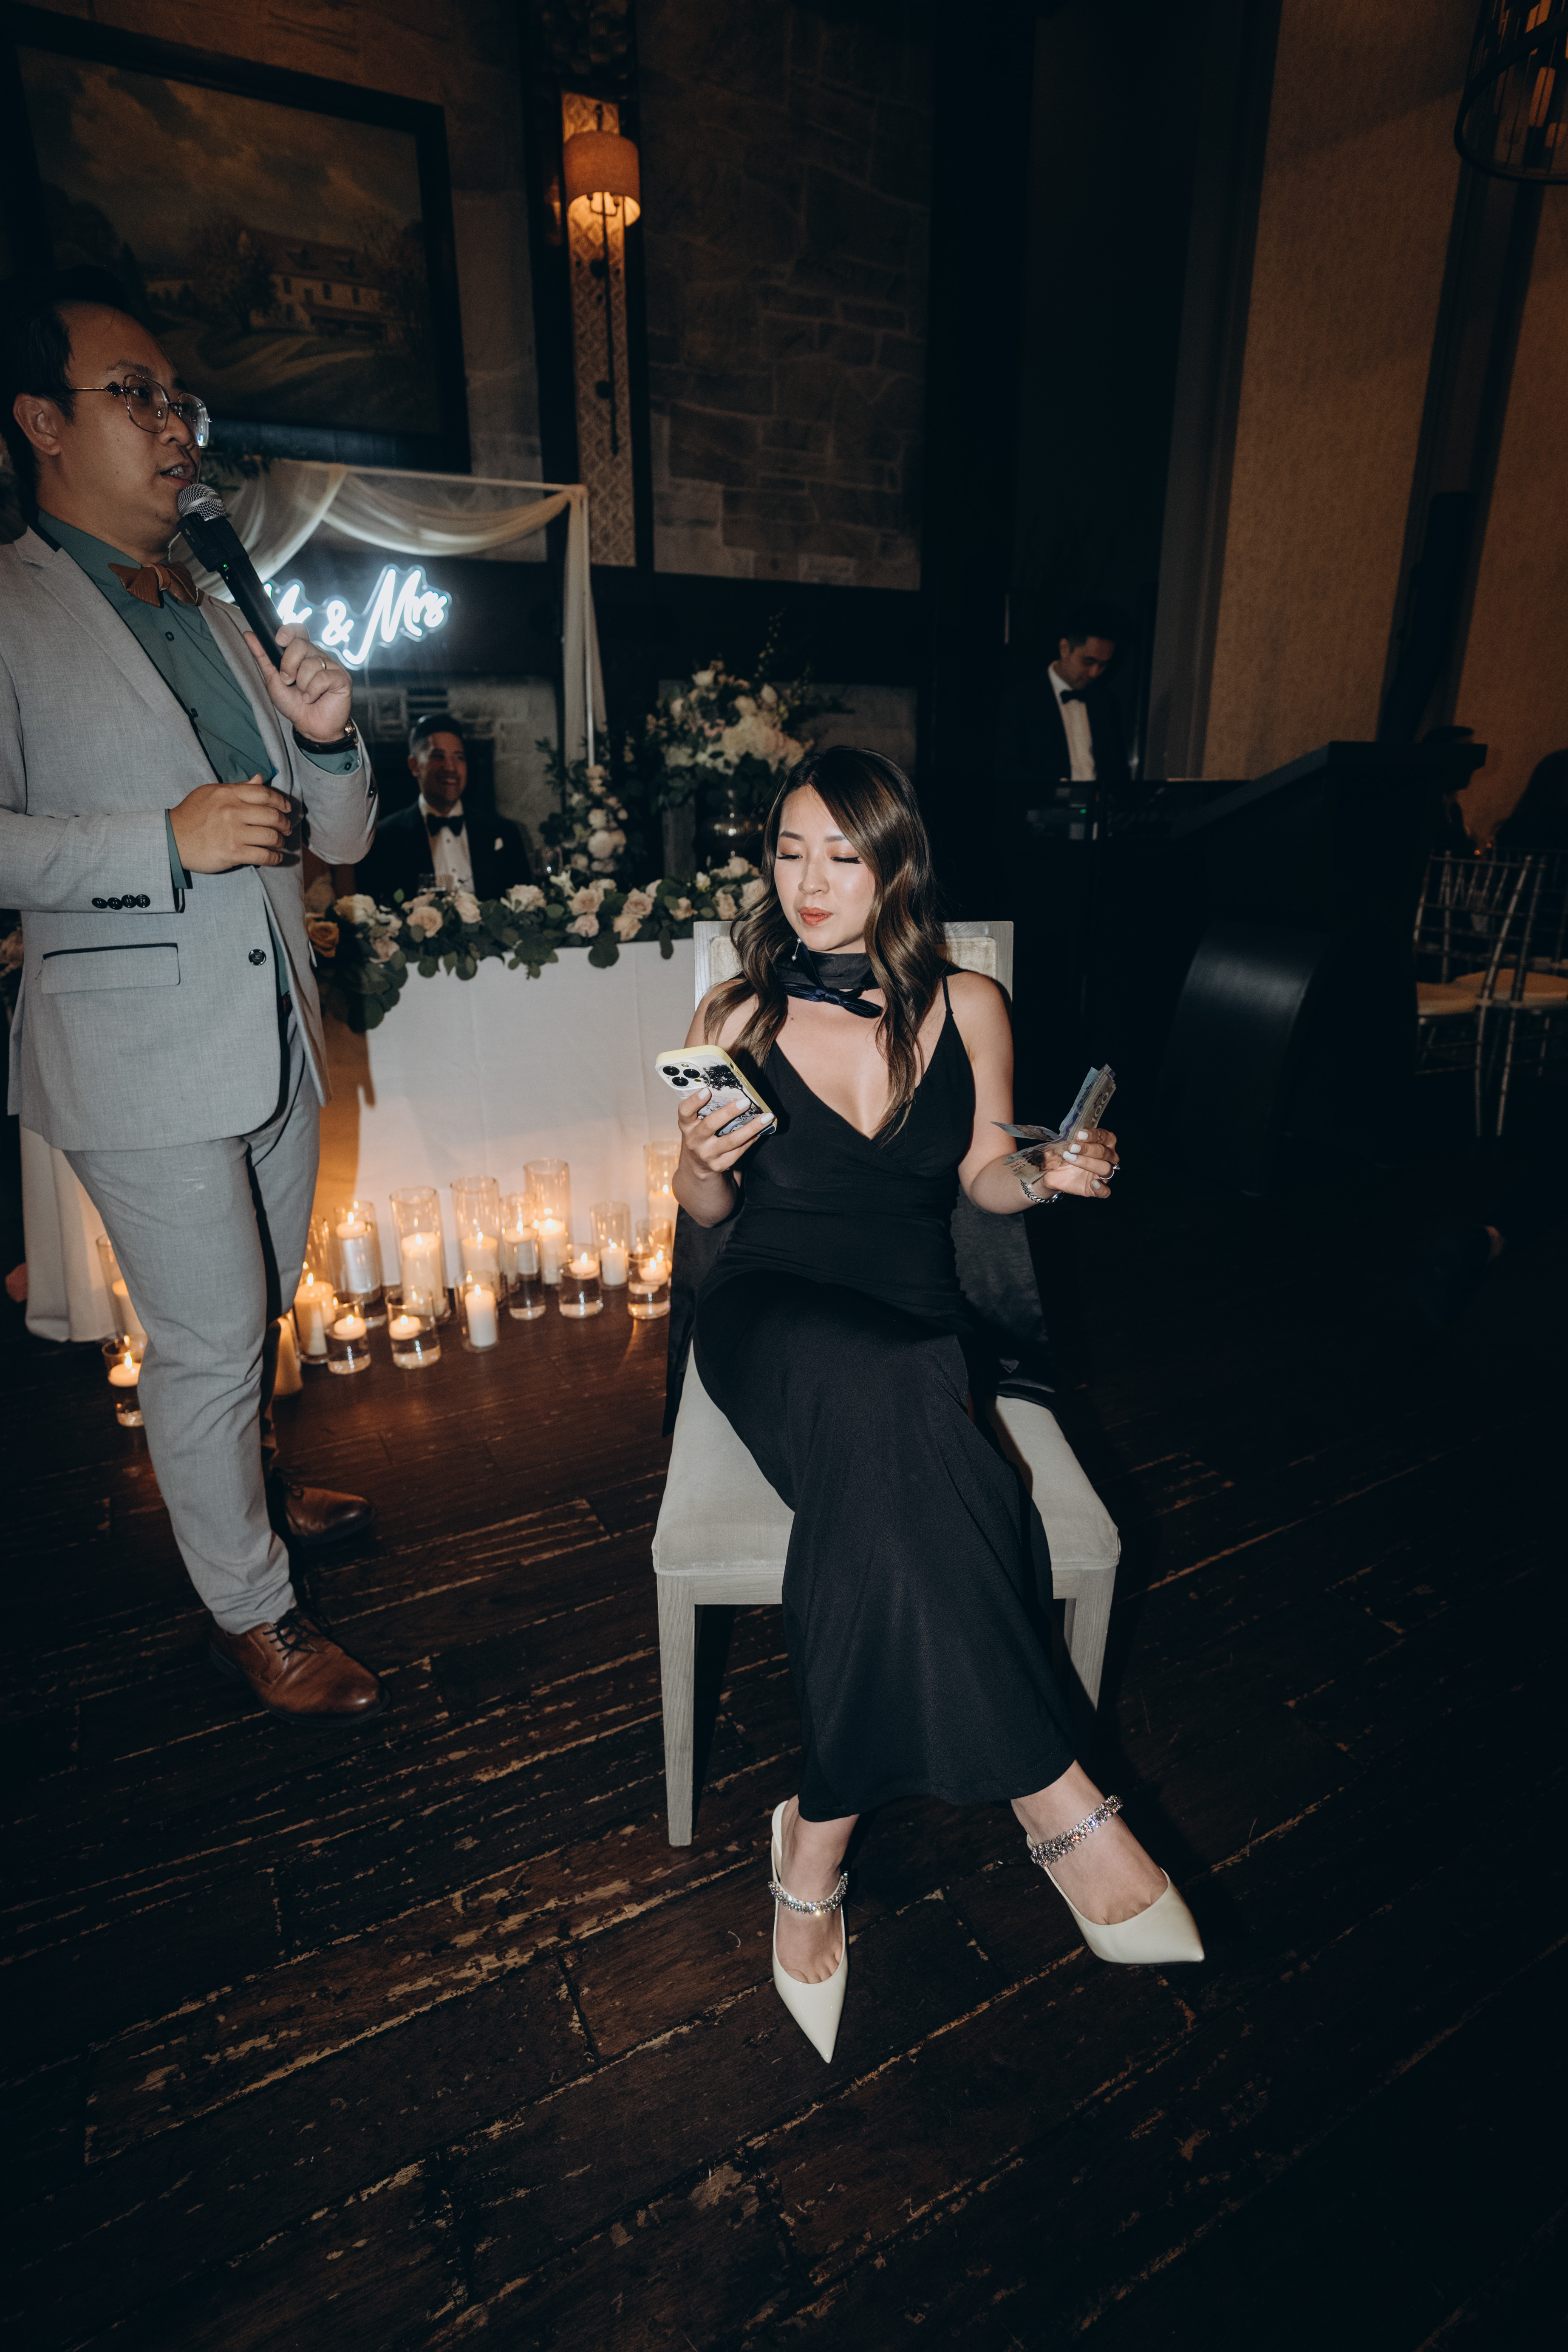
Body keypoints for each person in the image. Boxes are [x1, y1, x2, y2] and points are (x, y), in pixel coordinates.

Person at [674, 746, 1201, 2063]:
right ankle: (1057, 1800)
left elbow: (980, 1177)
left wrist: (1049, 1173)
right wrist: (693, 1160)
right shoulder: (730, 1012)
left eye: (841, 854)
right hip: (770, 1312)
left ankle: (815, 1843)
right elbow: (706, 1215)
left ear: (895, 864)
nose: (809, 882)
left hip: (913, 1324)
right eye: (789, 850)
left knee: (908, 1398)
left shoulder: (971, 1003)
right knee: (904, 1396)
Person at [1, 269, 388, 1723]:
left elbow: (337, 836)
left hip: (275, 1025)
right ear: (41, 420)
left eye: (180, 401)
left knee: (259, 1307)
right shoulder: (8, 604)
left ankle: (255, 1494)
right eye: (135, 395)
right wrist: (158, 840)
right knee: (213, 1337)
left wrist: (331, 740)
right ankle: (253, 1608)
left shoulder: (222, 607)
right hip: (133, 1044)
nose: (175, 425)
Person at [354, 713, 532, 904]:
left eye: (459, 758)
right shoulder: (385, 838)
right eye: (438, 756)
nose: (451, 768)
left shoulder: (504, 832)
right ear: (414, 766)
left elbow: (527, 906)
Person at [994, 598, 1132, 842]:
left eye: (1103, 665)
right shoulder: (1021, 699)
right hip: (1040, 835)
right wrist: (1065, 792)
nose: (1095, 673)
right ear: (1065, 648)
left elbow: (1115, 771)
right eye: (1088, 662)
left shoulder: (1104, 702)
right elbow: (1007, 772)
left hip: (1097, 835)